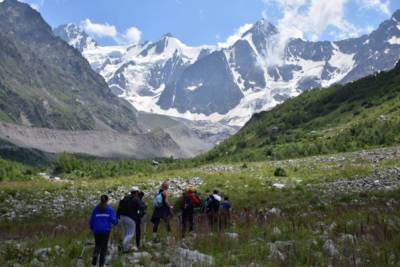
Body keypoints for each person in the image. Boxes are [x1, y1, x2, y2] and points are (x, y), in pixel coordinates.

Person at [89, 194, 118, 267]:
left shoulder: (95, 209)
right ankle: (101, 264)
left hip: (97, 230)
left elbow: (91, 220)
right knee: (104, 247)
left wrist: (92, 227)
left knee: (97, 245)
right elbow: (114, 220)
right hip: (105, 230)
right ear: (107, 200)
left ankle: (95, 256)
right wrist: (116, 222)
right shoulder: (109, 209)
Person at [116, 186, 143, 252]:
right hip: (131, 218)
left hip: (122, 217)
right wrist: (145, 206)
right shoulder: (135, 199)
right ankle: (122, 246)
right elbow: (142, 206)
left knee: (126, 233)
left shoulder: (124, 198)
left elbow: (119, 207)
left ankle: (125, 248)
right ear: (136, 192)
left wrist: (118, 216)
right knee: (131, 234)